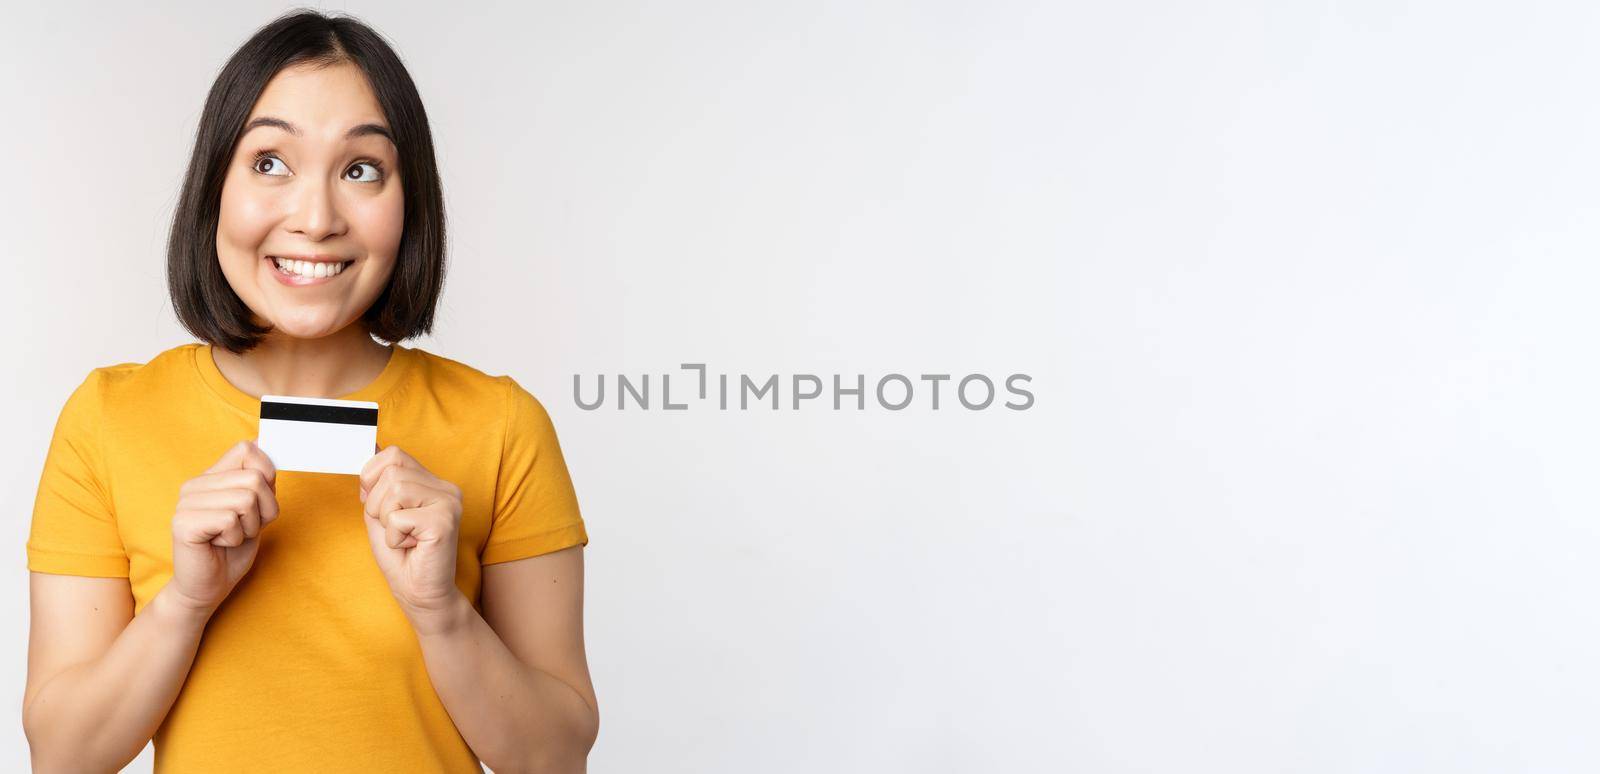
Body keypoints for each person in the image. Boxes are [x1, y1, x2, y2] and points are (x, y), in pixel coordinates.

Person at [21, 10, 598, 773]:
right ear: (213, 187)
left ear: (410, 200)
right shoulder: (107, 419)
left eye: (362, 170)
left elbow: (555, 759)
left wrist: (441, 614)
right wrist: (185, 604)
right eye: (270, 162)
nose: (317, 218)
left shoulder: (501, 425)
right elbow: (63, 757)